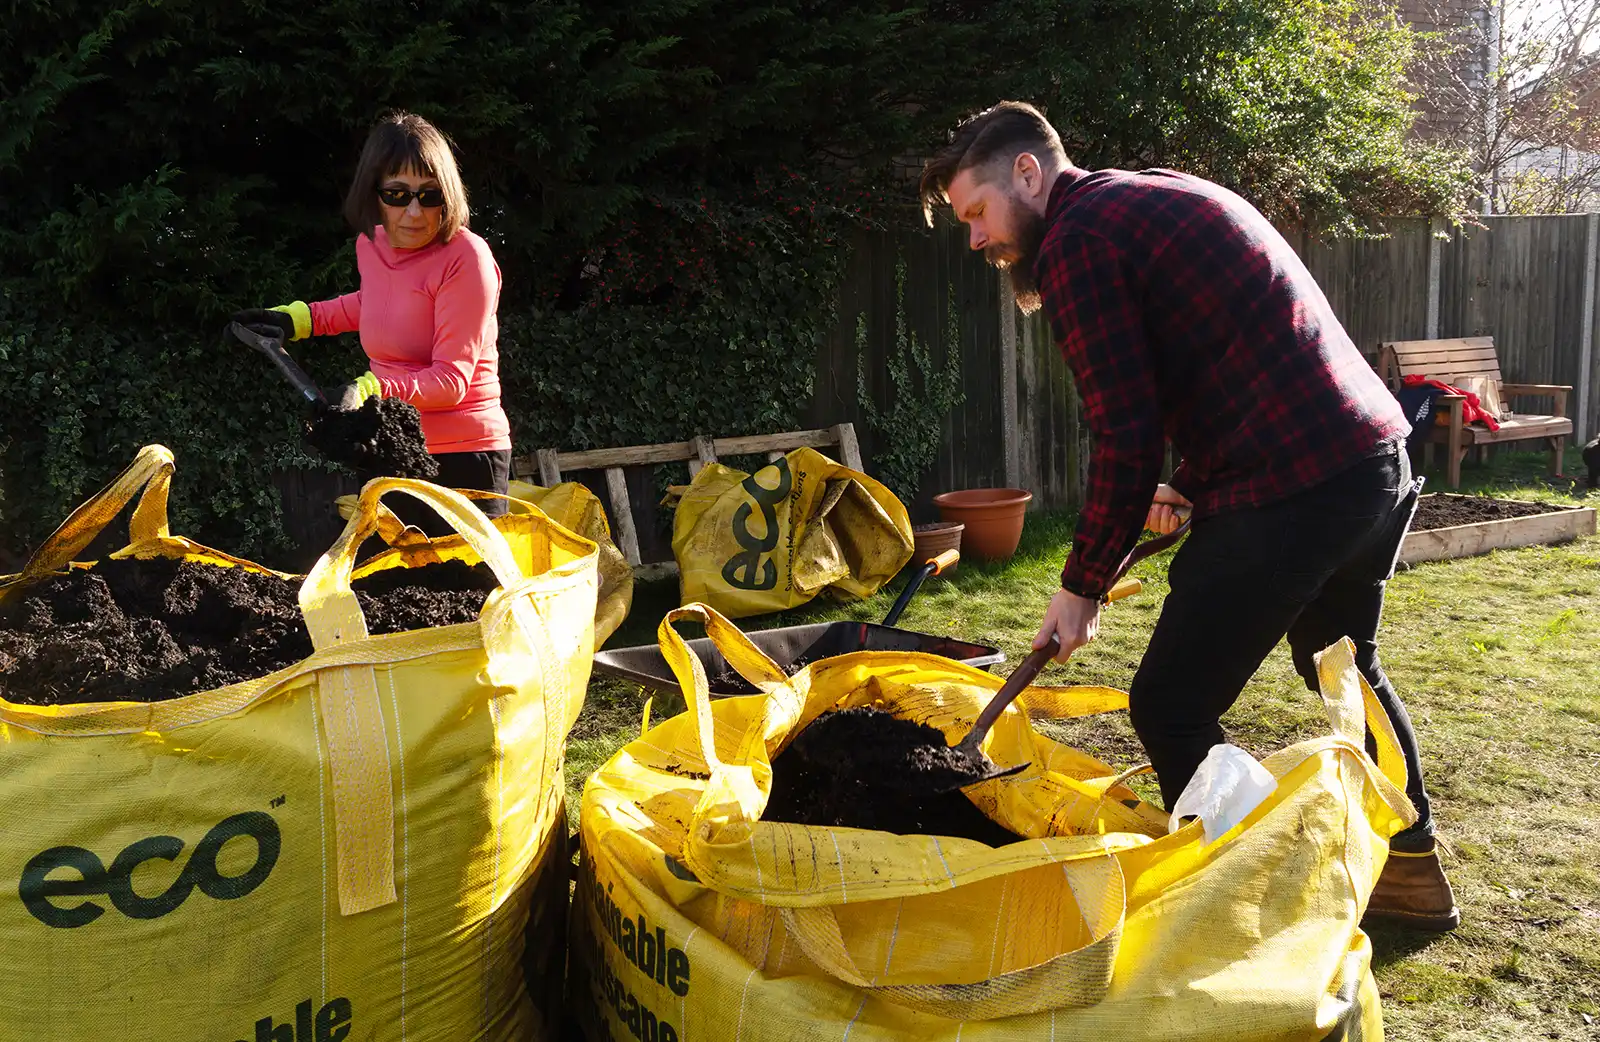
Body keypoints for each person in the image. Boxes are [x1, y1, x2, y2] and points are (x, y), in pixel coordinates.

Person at [920, 101, 1458, 932]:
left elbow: (1123, 435)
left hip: (1297, 484)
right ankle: (1412, 870)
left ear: (1028, 172)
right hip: (1370, 459)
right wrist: (1196, 481)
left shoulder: (1078, 243)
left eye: (977, 213)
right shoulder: (1148, 198)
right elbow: (1240, 360)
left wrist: (1082, 586)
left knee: (1168, 707)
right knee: (1342, 661)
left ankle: (1235, 907)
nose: (976, 239)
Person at [233, 111, 511, 535]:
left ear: (449, 195)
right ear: (374, 194)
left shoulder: (466, 259)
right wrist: (296, 320)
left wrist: (369, 391)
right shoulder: (373, 246)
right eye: (398, 194)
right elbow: (377, 304)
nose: (415, 213)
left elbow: (452, 380)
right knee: (384, 590)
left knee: (466, 595)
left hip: (464, 456)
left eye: (430, 195)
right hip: (387, 445)